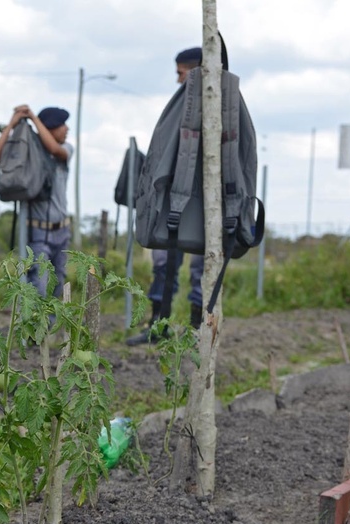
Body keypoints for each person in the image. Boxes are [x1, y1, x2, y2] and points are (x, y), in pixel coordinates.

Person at [126, 47, 205, 346]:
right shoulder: (179, 110)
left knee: (202, 268)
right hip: (174, 200)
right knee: (163, 263)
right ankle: (158, 326)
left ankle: (199, 330)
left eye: (180, 73)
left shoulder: (219, 107)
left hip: (204, 204)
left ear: (196, 71)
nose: (177, 80)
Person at [0, 105, 74, 298]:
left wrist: (33, 118)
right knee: (39, 284)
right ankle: (36, 327)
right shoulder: (30, 151)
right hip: (38, 232)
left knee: (58, 282)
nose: (66, 129)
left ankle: (50, 328)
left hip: (61, 230)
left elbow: (53, 148)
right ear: (50, 128)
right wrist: (12, 125)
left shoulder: (65, 149)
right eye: (62, 125)